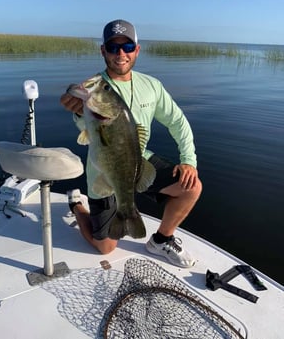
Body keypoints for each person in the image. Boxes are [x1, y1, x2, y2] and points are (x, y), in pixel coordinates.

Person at [60, 19, 202, 268]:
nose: (121, 54)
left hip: (138, 161)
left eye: (127, 46)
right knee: (105, 248)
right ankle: (77, 206)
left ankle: (161, 240)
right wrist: (79, 112)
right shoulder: (92, 88)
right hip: (104, 171)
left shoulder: (152, 85)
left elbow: (178, 122)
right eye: (113, 48)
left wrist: (188, 160)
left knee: (191, 187)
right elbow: (85, 129)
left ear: (137, 49)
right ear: (103, 50)